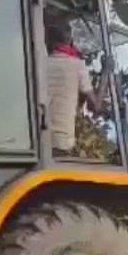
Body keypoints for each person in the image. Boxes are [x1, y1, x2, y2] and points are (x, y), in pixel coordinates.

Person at [44, 18, 103, 156]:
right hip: (61, 144)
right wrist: (106, 73)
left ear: (48, 43)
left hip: (37, 139)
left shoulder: (39, 64)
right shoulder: (77, 65)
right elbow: (95, 107)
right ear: (71, 41)